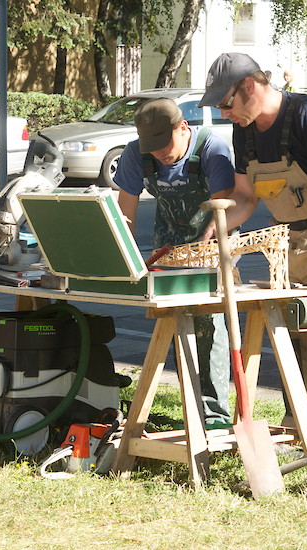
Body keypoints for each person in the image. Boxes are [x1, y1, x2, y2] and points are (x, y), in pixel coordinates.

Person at [197, 52, 307, 461]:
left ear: (249, 86)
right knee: (293, 334)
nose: (224, 114)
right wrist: (219, 229)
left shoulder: (306, 115)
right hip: (291, 237)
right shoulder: (243, 131)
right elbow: (245, 197)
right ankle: (302, 422)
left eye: (225, 103)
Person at [114, 99, 236, 428]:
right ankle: (192, 408)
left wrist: (209, 249)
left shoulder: (212, 148)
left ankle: (214, 417)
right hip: (167, 243)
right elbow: (125, 216)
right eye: (151, 148)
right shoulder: (135, 154)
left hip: (213, 241)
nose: (159, 154)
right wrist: (127, 259)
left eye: (164, 145)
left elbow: (224, 212)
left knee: (208, 325)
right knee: (174, 322)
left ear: (183, 128)